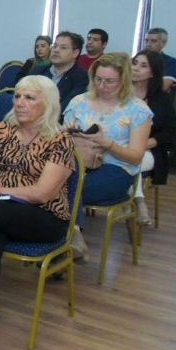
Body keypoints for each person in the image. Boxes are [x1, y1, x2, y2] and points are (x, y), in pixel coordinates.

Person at [0, 75, 75, 350]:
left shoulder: (60, 139)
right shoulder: (1, 130)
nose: (20, 103)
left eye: (30, 98)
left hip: (44, 217)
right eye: (18, 96)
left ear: (48, 103)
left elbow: (42, 193)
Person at [64, 53, 152, 251]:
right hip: (77, 163)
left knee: (66, 187)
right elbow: (62, 143)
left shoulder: (137, 109)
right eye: (98, 79)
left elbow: (136, 156)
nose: (102, 86)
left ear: (123, 81)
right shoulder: (78, 102)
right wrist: (66, 133)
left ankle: (67, 240)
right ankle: (72, 238)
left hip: (117, 169)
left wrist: (107, 144)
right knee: (57, 182)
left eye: (110, 81)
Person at [131, 50, 176, 225]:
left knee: (131, 160)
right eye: (134, 63)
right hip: (117, 147)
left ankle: (135, 203)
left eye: (143, 66)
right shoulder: (119, 94)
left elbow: (170, 132)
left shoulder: (162, 99)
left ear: (153, 72)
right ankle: (137, 201)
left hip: (150, 150)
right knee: (122, 158)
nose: (136, 69)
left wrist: (146, 142)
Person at [31, 31, 89, 113]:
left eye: (63, 48)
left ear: (75, 53)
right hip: (29, 118)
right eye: (55, 46)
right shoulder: (38, 71)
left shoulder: (82, 76)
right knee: (8, 125)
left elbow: (70, 104)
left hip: (58, 122)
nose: (56, 50)